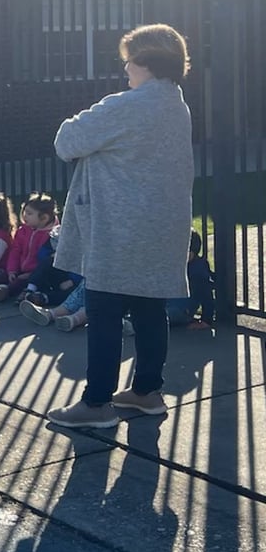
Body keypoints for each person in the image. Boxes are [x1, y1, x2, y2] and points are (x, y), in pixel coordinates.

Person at [47, 24, 194, 429]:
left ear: (146, 61)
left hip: (120, 227)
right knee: (149, 308)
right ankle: (146, 392)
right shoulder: (175, 105)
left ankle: (96, 404)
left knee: (105, 310)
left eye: (129, 60)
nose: (125, 68)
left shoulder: (128, 105)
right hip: (160, 227)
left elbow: (68, 141)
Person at [0, 192, 57, 303]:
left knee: (21, 282)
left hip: (35, 273)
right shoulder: (23, 231)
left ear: (44, 218)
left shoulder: (52, 235)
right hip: (19, 269)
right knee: (3, 275)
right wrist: (12, 270)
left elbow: (45, 260)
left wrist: (31, 273)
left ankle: (6, 290)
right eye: (24, 212)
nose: (24, 216)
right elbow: (15, 251)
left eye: (29, 213)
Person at [165, 231, 216, 329]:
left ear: (190, 253)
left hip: (183, 310)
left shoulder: (198, 270)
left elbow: (207, 296)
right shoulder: (179, 265)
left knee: (160, 316)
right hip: (171, 304)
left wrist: (206, 321)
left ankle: (133, 325)